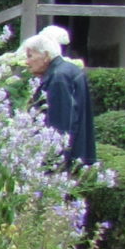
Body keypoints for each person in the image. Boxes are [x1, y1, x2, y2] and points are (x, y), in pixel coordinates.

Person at [22, 25, 96, 167]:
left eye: (30, 56)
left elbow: (59, 124)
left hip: (61, 161)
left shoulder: (58, 77)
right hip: (79, 151)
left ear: (46, 56)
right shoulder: (69, 70)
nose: (27, 62)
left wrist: (52, 161)